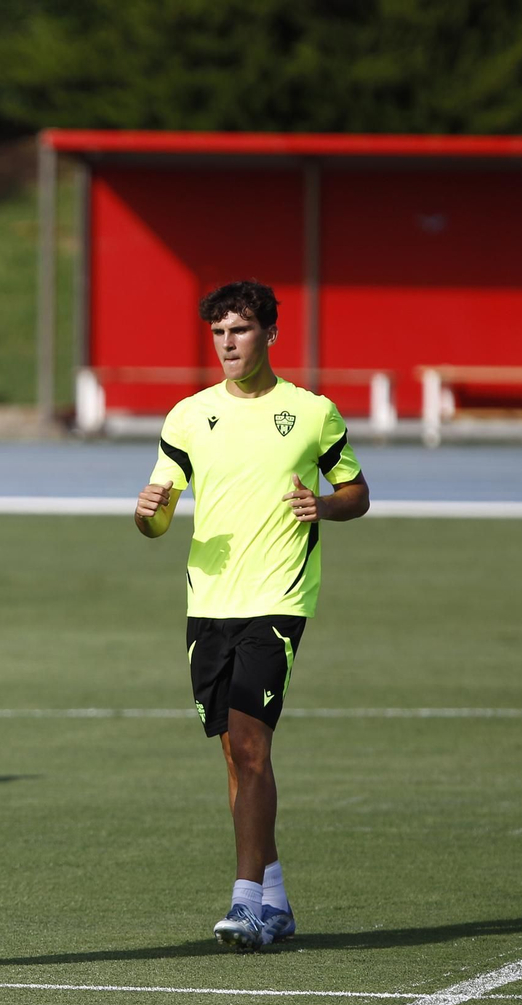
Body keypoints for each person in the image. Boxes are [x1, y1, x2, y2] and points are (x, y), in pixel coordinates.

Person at [134, 279, 370, 951]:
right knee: (235, 760)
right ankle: (276, 898)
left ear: (269, 333)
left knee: (250, 744)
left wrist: (323, 506)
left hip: (277, 599)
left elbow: (355, 491)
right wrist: (148, 514)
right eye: (218, 332)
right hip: (207, 601)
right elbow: (155, 519)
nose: (227, 343)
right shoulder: (187, 416)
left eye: (239, 330)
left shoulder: (312, 412)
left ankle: (245, 904)